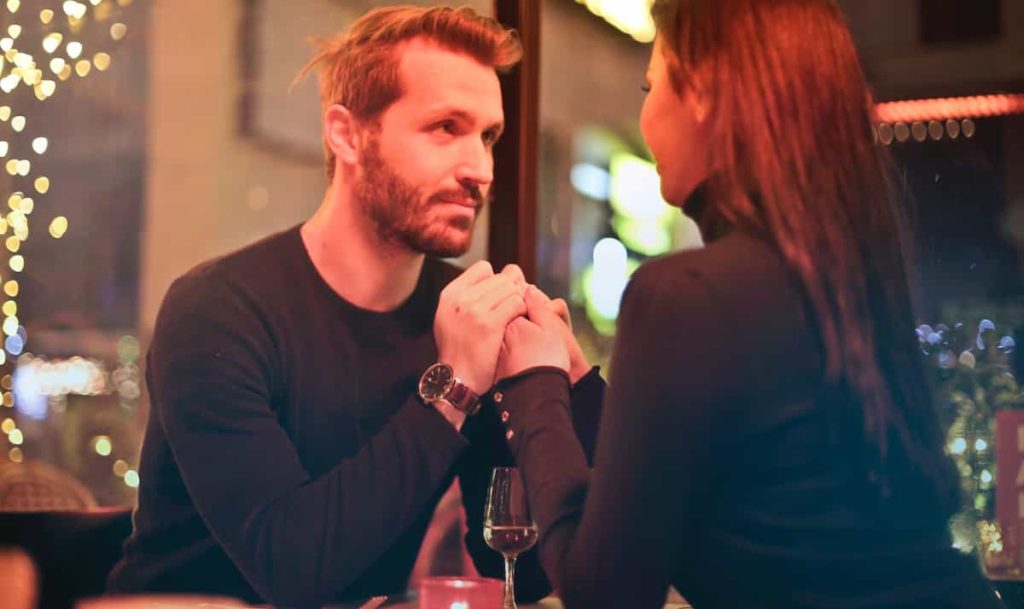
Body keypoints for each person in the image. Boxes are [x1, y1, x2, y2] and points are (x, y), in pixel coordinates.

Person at [490, 0, 1005, 607]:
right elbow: (737, 503)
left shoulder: (685, 293)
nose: (645, 112)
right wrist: (575, 385)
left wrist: (533, 386)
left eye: (651, 85)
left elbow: (607, 592)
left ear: (701, 94)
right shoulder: (845, 281)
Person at [106, 6, 600, 607]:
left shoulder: (464, 314)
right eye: (446, 127)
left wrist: (564, 385)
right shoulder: (218, 309)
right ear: (346, 134)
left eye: (488, 136)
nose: (481, 170)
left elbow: (521, 564)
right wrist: (454, 388)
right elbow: (291, 568)